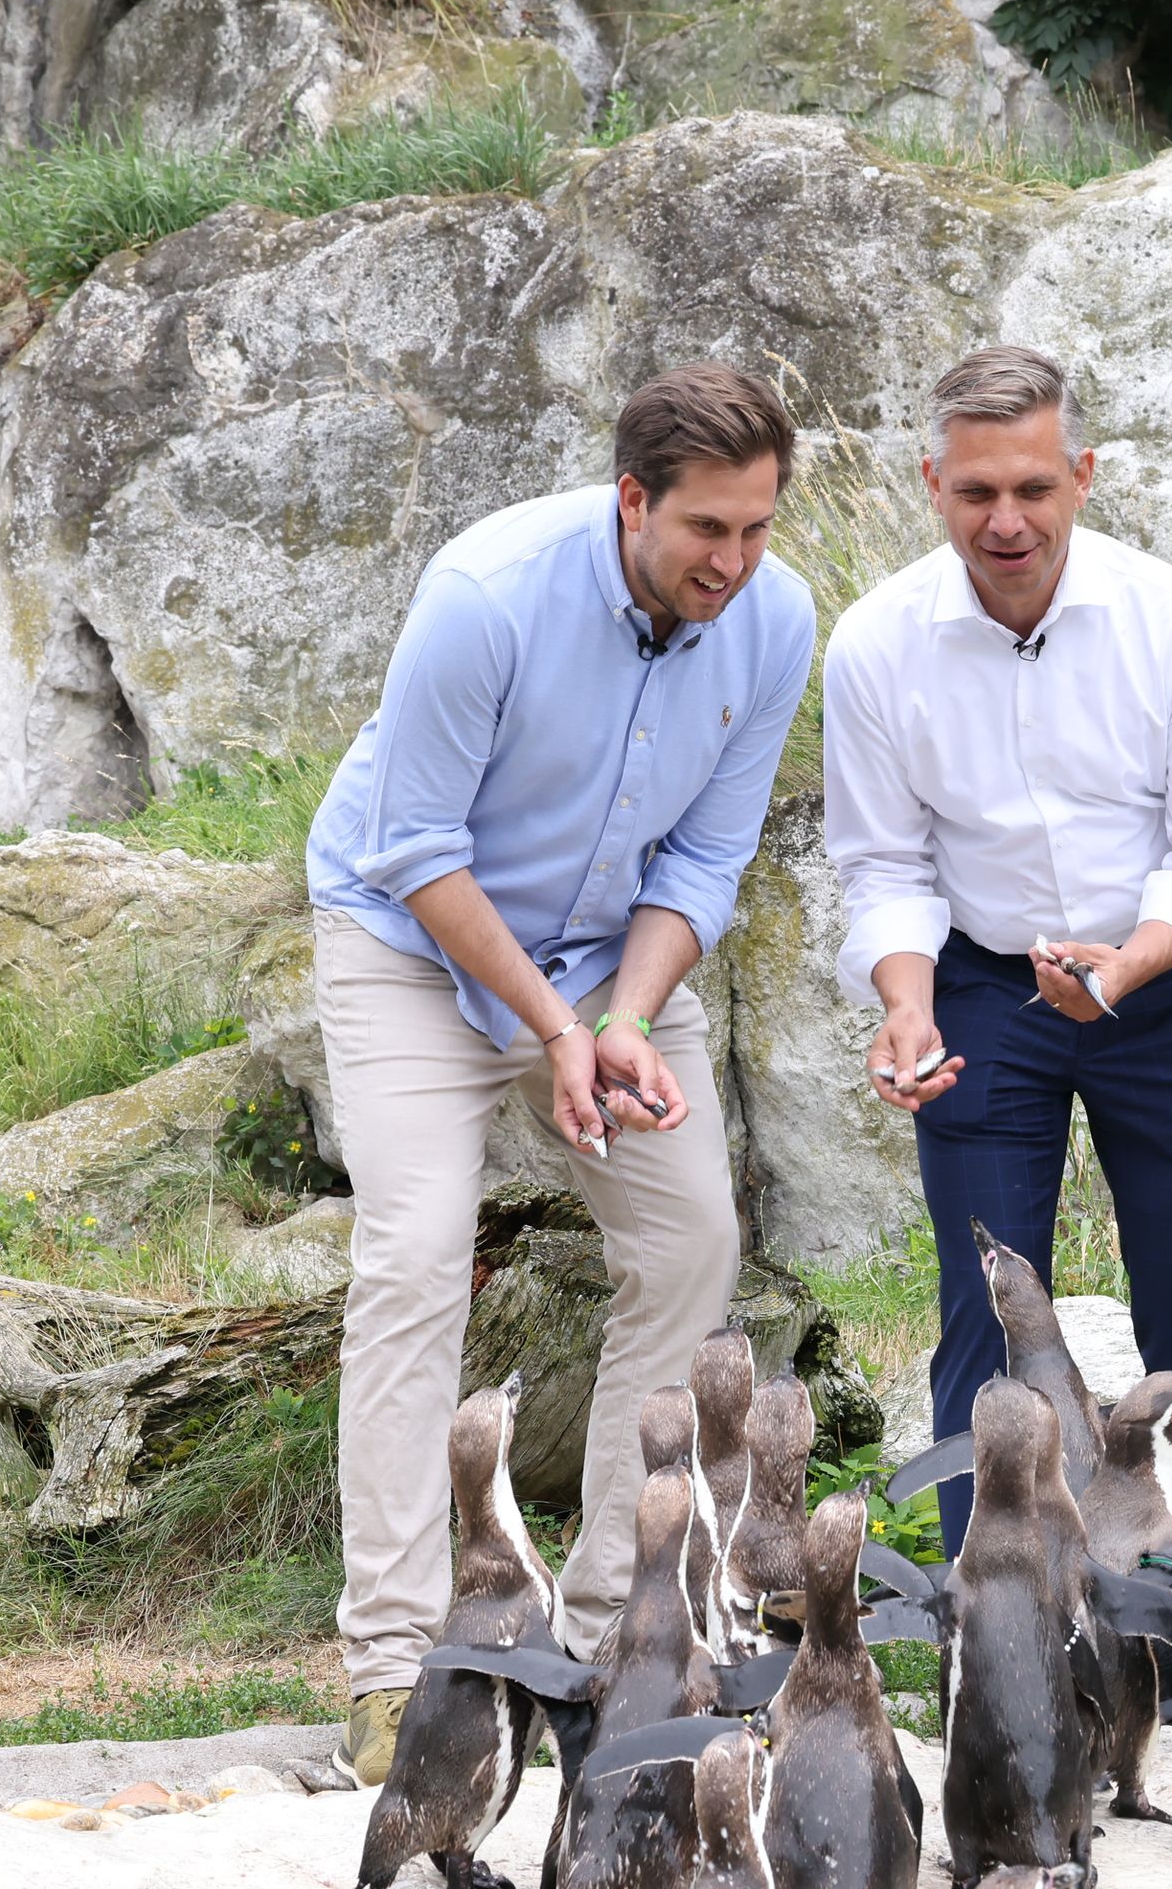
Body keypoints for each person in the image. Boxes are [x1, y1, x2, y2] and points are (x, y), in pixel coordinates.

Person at [304, 362, 817, 1784]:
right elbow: (413, 844)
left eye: (758, 528)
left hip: (609, 957)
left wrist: (628, 1016)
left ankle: (610, 1630)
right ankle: (395, 1663)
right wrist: (551, 1030)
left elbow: (709, 857)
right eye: (706, 529)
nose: (733, 561)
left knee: (691, 1235)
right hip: (410, 932)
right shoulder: (488, 591)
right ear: (631, 498)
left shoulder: (773, 619)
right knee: (414, 1250)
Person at [823, 344, 1172, 1565]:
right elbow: (883, 865)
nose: (1006, 521)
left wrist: (1120, 971)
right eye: (976, 494)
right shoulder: (874, 645)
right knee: (987, 1311)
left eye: (1032, 488)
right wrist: (904, 1009)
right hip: (978, 982)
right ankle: (995, 1606)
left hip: (1163, 985)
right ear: (932, 484)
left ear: (1082, 475)